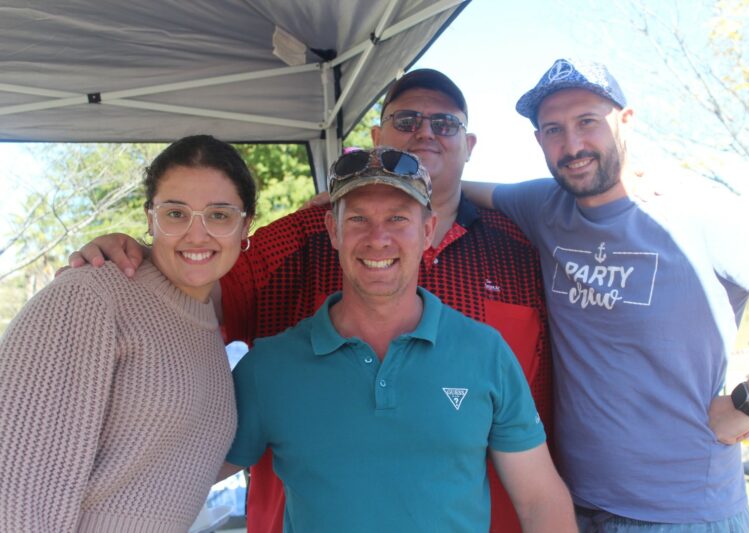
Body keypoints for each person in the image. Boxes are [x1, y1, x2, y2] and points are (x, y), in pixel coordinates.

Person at [69, 69, 553, 533]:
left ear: (468, 145)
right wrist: (139, 260)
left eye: (445, 123)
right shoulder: (301, 239)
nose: (425, 133)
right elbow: (199, 279)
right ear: (376, 136)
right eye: (406, 121)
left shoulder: (525, 251)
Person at [462, 58, 749, 532]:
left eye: (587, 122)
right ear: (539, 141)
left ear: (626, 121)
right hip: (577, 508)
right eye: (553, 130)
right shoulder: (544, 205)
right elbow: (452, 188)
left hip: (685, 515)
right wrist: (364, 191)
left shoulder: (696, 210)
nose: (573, 145)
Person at [217, 147, 577, 532]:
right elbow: (176, 477)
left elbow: (540, 500)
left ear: (426, 231)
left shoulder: (486, 353)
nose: (378, 238)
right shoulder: (271, 367)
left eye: (397, 218)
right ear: (333, 231)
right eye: (358, 219)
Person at [0, 135, 256, 532]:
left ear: (246, 225)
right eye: (176, 213)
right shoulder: (90, 296)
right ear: (150, 218)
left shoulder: (206, 322)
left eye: (219, 215)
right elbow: (15, 490)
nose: (197, 234)